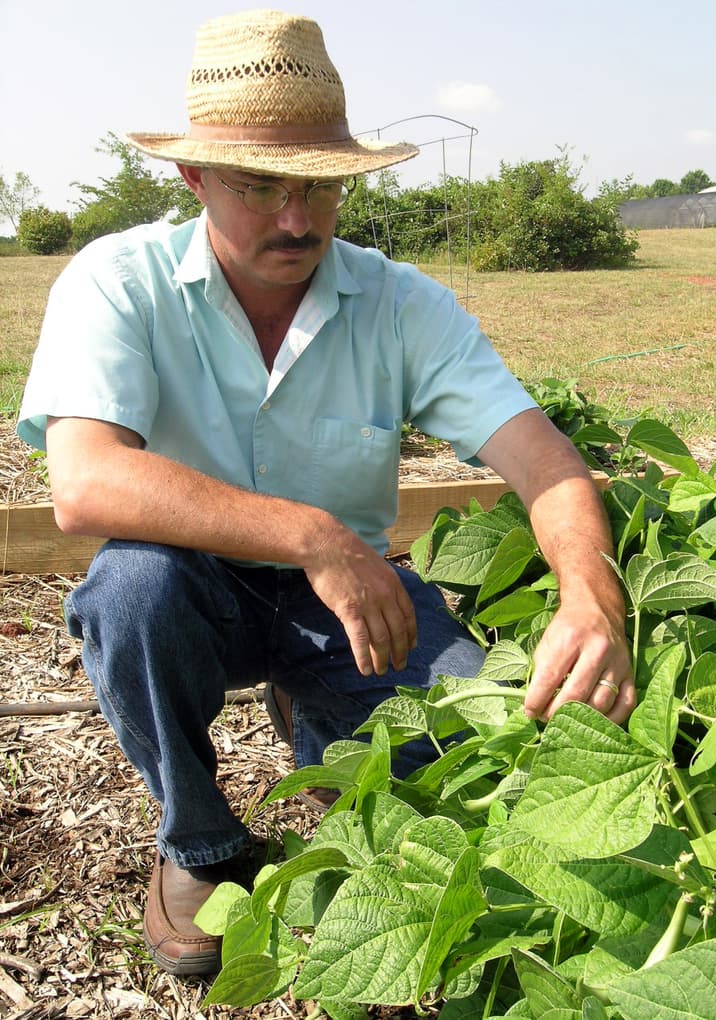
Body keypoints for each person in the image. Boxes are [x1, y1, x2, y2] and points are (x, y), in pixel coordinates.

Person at [17, 9, 634, 977]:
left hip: (346, 601)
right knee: (131, 590)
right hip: (196, 590)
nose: (297, 218)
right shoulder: (119, 281)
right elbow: (85, 481)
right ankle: (199, 844)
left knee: (476, 761)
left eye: (319, 186)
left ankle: (321, 725)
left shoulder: (399, 302)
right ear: (193, 177)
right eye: (260, 186)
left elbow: (543, 460)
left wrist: (593, 603)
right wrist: (315, 535)